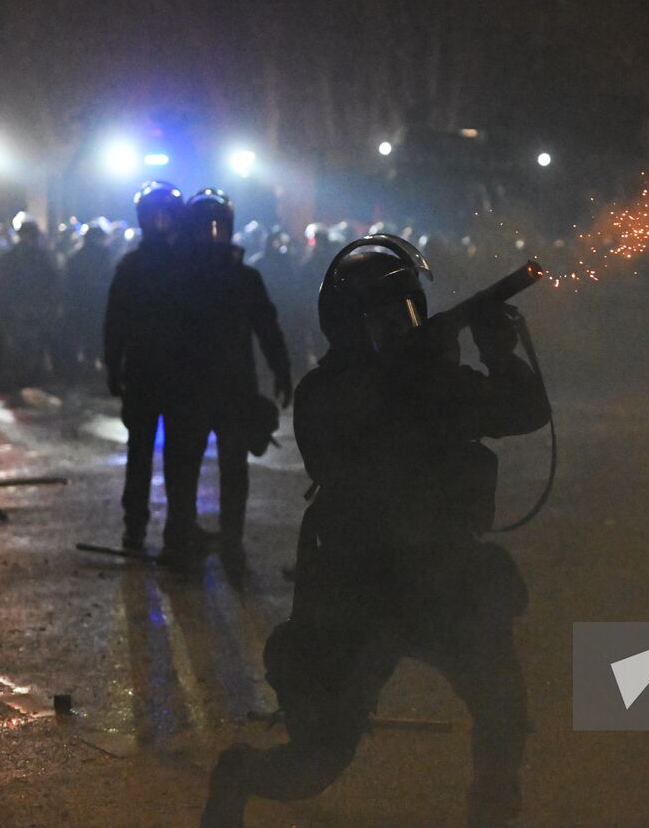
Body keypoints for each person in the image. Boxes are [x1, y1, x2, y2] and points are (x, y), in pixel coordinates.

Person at [201, 234, 550, 827]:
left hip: (441, 571)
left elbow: (524, 411)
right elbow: (375, 430)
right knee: (318, 761)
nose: (402, 328)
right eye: (385, 317)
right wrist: (447, 368)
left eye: (410, 313)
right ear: (346, 325)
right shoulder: (330, 391)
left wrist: (495, 351)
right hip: (356, 584)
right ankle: (240, 776)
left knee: (502, 708)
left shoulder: (428, 380)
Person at [161, 189, 292, 564]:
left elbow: (267, 327)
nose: (214, 234)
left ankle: (221, 539)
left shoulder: (235, 277)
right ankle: (185, 536)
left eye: (219, 227)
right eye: (207, 228)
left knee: (224, 468)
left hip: (221, 391)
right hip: (202, 390)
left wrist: (281, 368)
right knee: (190, 468)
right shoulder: (189, 276)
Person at [103, 182, 195, 552]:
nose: (160, 222)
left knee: (168, 456)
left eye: (165, 215)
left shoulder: (138, 265)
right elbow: (115, 322)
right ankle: (139, 527)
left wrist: (114, 366)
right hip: (150, 374)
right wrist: (113, 365)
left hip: (162, 375)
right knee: (145, 455)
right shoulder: (137, 266)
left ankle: (171, 529)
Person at [0, 214, 59, 386]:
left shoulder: (7, 257)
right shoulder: (44, 256)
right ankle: (33, 379)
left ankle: (18, 380)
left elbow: (2, 287)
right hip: (37, 309)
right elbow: (54, 282)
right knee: (35, 345)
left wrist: (3, 308)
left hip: (16, 309)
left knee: (17, 347)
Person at [61, 219, 115, 377]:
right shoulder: (105, 256)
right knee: (100, 338)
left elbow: (68, 284)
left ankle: (87, 368)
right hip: (100, 305)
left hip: (81, 306)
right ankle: (99, 370)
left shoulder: (76, 257)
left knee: (85, 337)